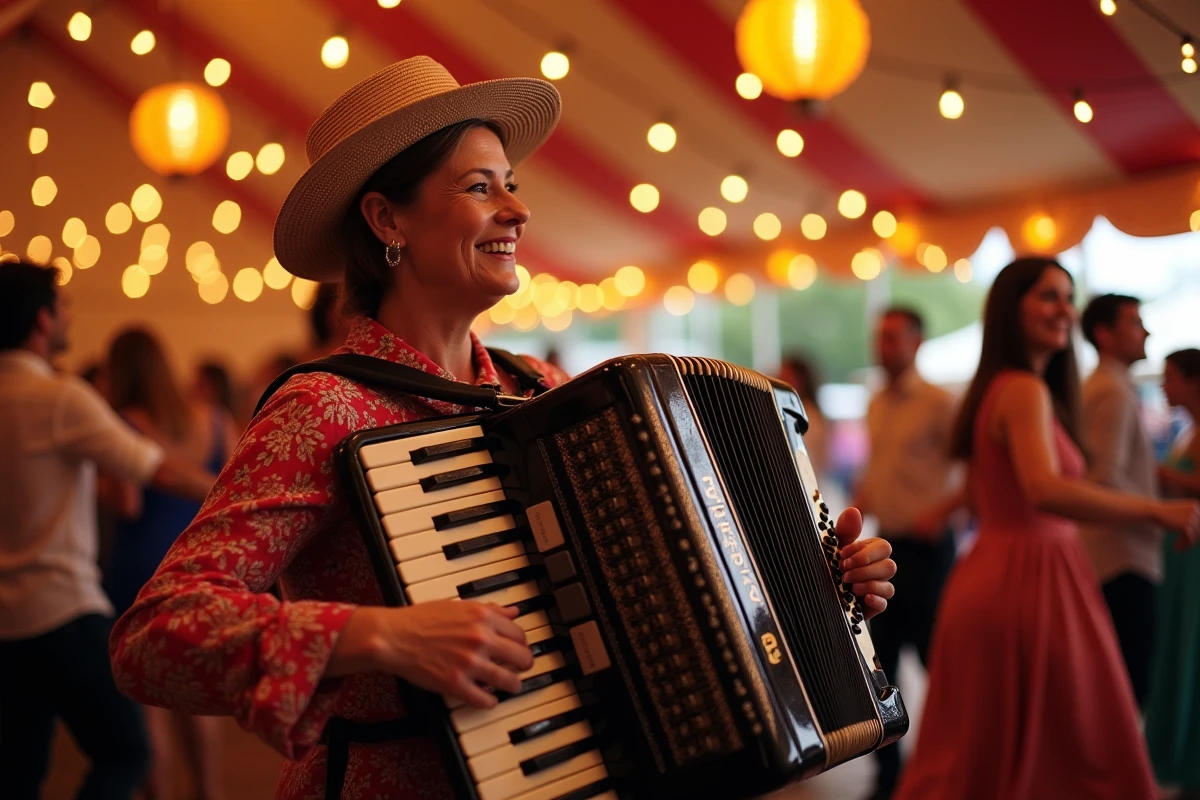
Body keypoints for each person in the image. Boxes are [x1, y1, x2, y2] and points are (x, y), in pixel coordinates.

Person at [108, 57, 898, 799]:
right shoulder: (323, 408)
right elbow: (154, 634)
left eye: (511, 185)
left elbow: (675, 580)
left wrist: (821, 584)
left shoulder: (545, 392)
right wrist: (379, 636)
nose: (517, 210)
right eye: (480, 187)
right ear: (388, 218)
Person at [894, 258, 1200, 800]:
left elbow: (989, 489)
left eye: (1067, 296)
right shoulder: (1023, 391)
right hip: (1028, 578)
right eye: (1048, 297)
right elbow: (1043, 490)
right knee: (1070, 745)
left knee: (1010, 745)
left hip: (1005, 572)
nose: (1064, 310)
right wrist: (1155, 510)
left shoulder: (1013, 389)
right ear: (1012, 310)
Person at [0, 262, 215, 799]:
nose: (69, 314)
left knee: (19, 775)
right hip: (64, 611)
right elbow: (155, 469)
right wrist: (235, 490)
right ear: (42, 321)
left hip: (5, 623)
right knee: (127, 751)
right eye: (63, 304)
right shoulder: (60, 398)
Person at [103, 328, 236, 800]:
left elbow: (128, 503)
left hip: (138, 568)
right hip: (197, 564)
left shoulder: (122, 423)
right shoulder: (215, 419)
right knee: (197, 694)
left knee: (147, 700)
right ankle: (208, 791)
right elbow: (233, 489)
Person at [851, 307, 961, 800]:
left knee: (942, 666)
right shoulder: (874, 402)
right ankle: (889, 780)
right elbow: (876, 469)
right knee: (881, 669)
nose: (882, 346)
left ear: (917, 342)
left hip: (930, 549)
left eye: (892, 337)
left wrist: (941, 511)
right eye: (878, 336)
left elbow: (978, 468)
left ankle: (955, 772)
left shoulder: (940, 402)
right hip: (887, 547)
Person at [1077, 293, 1160, 705]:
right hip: (1121, 554)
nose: (1146, 331)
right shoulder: (1111, 389)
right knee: (1129, 685)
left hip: (1118, 549)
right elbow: (1103, 478)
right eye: (1134, 322)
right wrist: (1161, 511)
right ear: (1104, 334)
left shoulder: (1109, 385)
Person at [1145, 348, 1200, 797]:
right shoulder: (1187, 429)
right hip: (1182, 557)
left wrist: (1160, 474)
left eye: (1171, 377)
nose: (1164, 385)